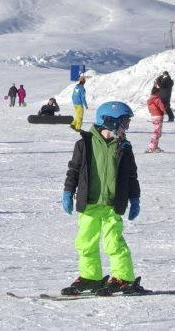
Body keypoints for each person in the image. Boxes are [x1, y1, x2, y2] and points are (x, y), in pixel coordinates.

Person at [62, 101, 145, 295]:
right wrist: (68, 192)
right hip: (89, 204)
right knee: (85, 241)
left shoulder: (124, 147)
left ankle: (122, 276)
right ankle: (90, 276)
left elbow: (131, 176)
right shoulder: (84, 144)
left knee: (114, 242)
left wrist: (135, 198)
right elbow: (74, 170)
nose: (127, 127)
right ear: (110, 121)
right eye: (125, 122)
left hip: (112, 205)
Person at [146, 86, 166, 153]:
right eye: (159, 92)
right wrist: (164, 110)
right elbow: (162, 107)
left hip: (153, 116)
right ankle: (151, 147)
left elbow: (149, 109)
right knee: (157, 132)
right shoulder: (157, 99)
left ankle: (155, 147)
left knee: (157, 132)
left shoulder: (150, 99)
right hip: (158, 116)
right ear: (157, 92)